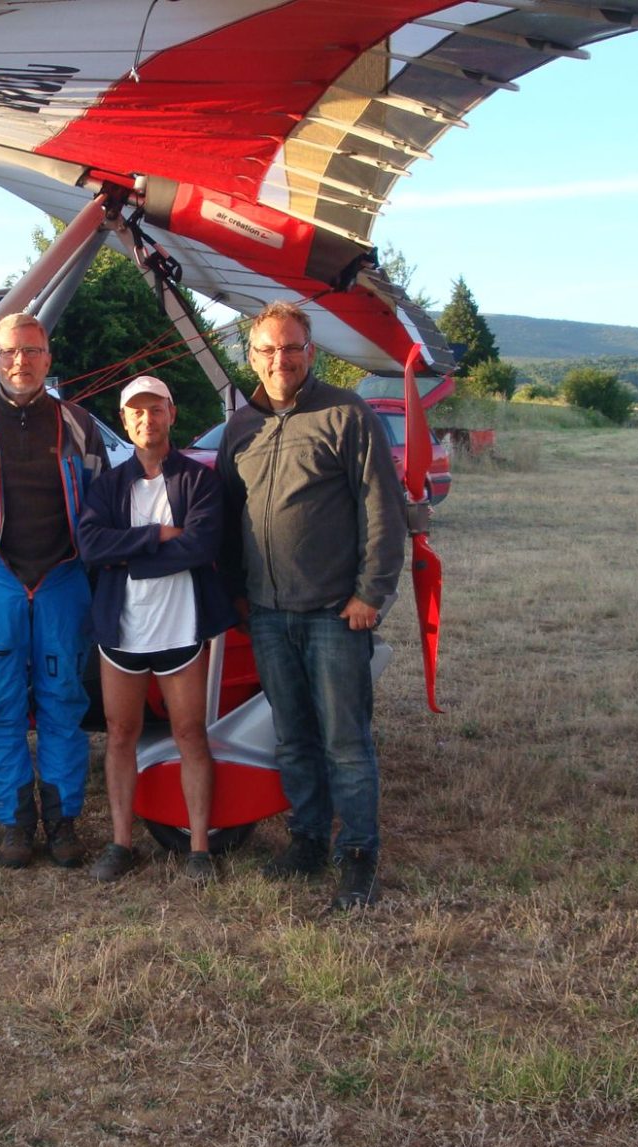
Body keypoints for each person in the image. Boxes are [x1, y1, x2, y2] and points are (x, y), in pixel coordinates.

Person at [217, 301, 408, 910]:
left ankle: (358, 855)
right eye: (268, 350)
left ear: (310, 351)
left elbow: (384, 509)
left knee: (345, 741)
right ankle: (305, 841)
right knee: (293, 738)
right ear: (251, 356)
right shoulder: (240, 428)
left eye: (291, 347)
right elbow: (225, 518)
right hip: (269, 614)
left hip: (333, 611)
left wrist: (369, 594)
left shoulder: (346, 415)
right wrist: (236, 596)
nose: (280, 359)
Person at [0, 312, 110, 869]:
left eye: (31, 352)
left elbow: (105, 514)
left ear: (48, 359)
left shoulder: (80, 425)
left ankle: (61, 821)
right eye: (8, 352)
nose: (19, 363)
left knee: (64, 708)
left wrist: (102, 588)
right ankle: (14, 824)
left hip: (63, 583)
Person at [77, 375, 237, 884]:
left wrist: (128, 556)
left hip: (181, 628)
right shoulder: (107, 485)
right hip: (121, 632)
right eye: (137, 412)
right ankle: (121, 842)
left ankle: (198, 848)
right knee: (120, 734)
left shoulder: (199, 480)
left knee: (190, 733)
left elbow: (202, 546)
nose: (148, 419)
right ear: (125, 421)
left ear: (172, 414)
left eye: (157, 409)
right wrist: (153, 536)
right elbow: (89, 545)